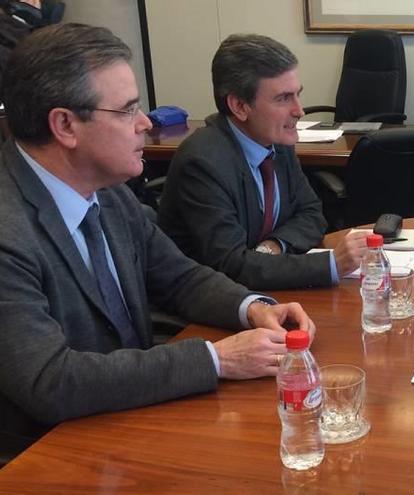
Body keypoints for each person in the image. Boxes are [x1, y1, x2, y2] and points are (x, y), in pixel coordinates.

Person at [0, 23, 316, 457]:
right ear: (65, 125)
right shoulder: (8, 230)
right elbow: (50, 381)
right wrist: (216, 359)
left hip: (127, 418)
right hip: (47, 452)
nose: (146, 123)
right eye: (128, 110)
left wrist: (255, 308)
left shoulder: (108, 193)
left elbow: (180, 277)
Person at [158, 34, 367, 290]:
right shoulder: (203, 162)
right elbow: (232, 266)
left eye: (298, 95)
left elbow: (311, 212)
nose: (299, 111)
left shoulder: (277, 142)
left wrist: (272, 246)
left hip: (264, 293)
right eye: (283, 98)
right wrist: (331, 265)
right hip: (208, 309)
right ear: (239, 106)